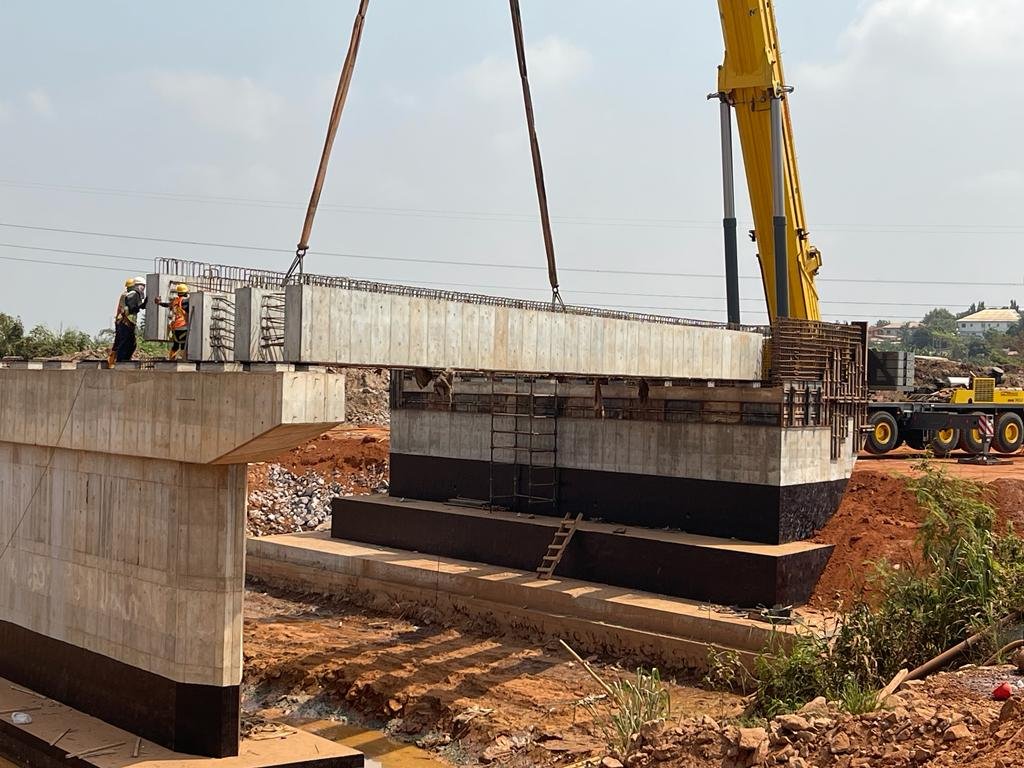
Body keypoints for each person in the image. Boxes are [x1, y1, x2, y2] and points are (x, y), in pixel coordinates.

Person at [108, 277, 146, 367]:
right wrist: (142, 306)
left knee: (122, 342)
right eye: (142, 286)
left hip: (121, 321)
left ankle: (114, 361)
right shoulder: (132, 294)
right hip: (126, 321)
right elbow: (132, 308)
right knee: (126, 342)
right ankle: (121, 362)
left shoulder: (126, 294)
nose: (143, 288)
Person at [156, 284, 190, 360]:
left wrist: (159, 303)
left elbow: (167, 304)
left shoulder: (175, 301)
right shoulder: (185, 301)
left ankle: (172, 358)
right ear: (186, 293)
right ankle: (182, 358)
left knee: (176, 344)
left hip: (175, 327)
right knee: (184, 344)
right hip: (183, 326)